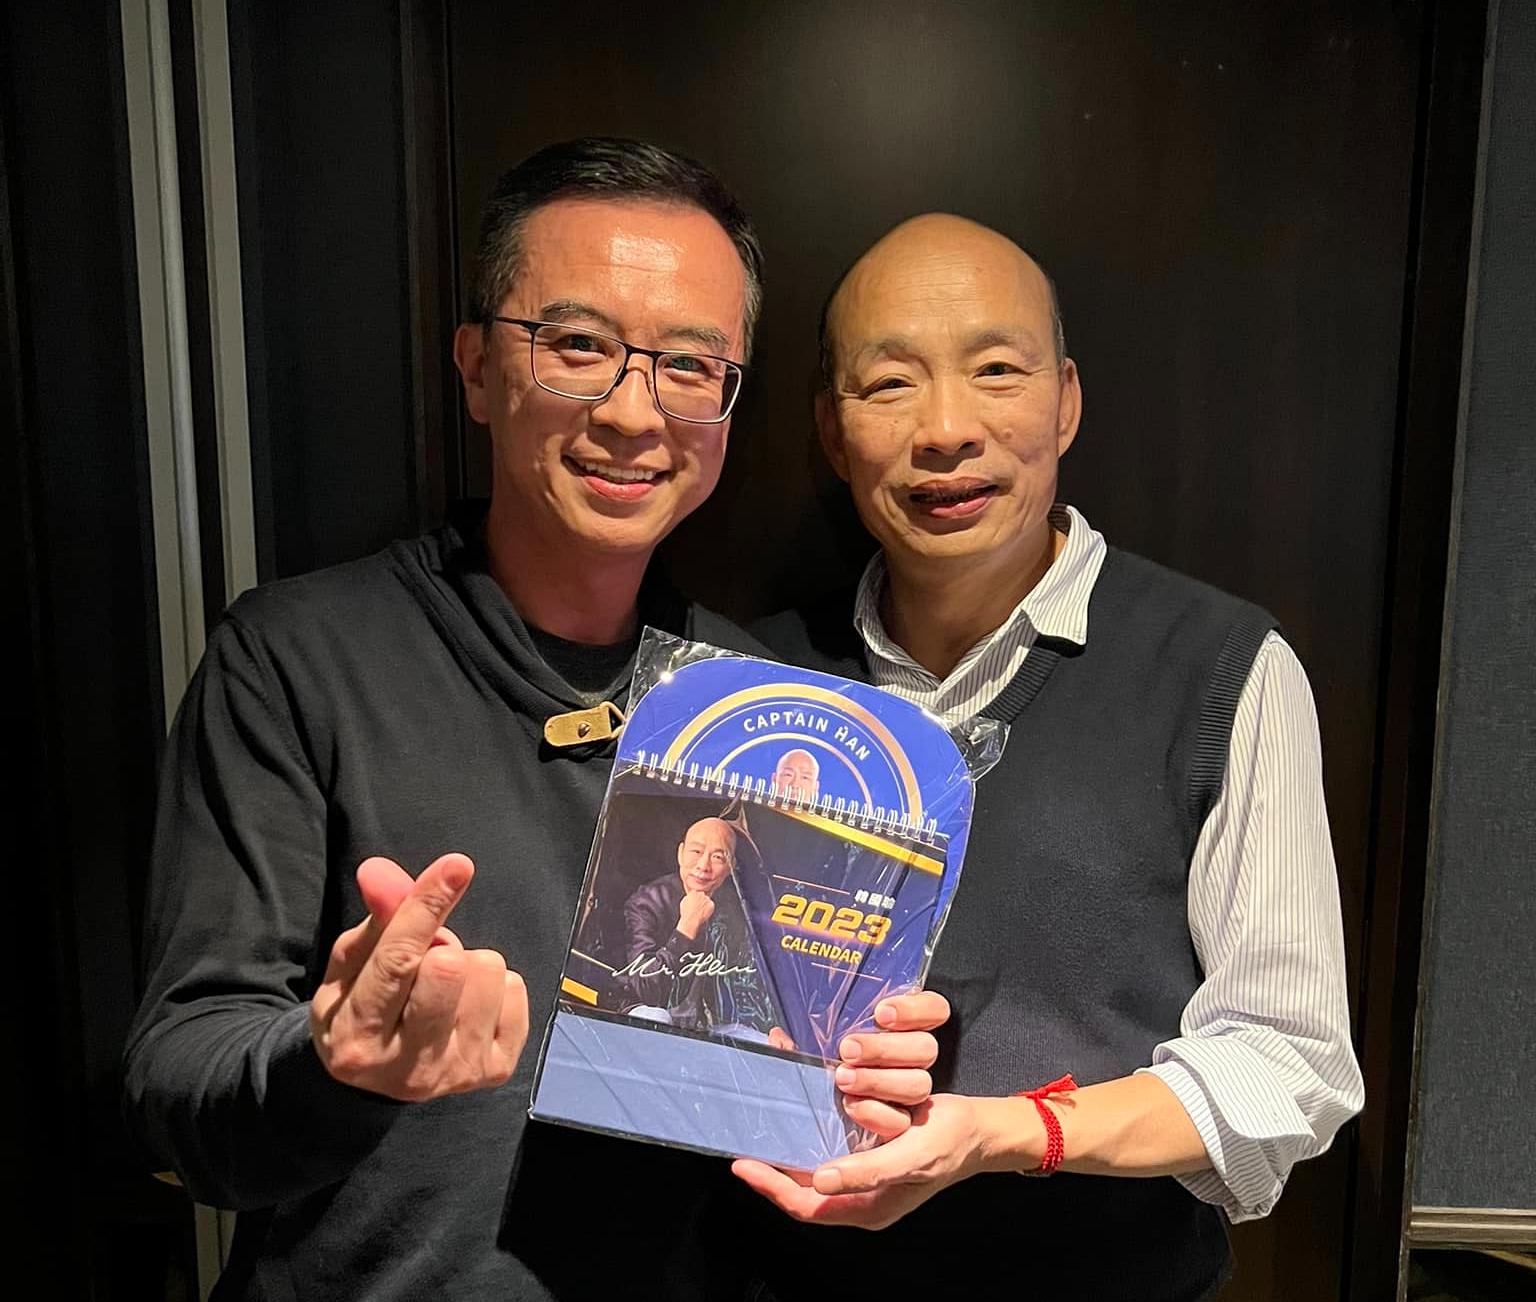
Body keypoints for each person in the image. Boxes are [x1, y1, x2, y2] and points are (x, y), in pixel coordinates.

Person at [122, 138, 943, 1302]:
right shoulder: (300, 659)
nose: (633, 412)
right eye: (579, 347)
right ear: (475, 369)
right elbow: (176, 1088)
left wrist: (855, 1091)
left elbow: (784, 1142)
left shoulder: (762, 717)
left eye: (691, 366)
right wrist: (337, 1066)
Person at [738, 213, 1365, 1301]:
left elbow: (1287, 1062)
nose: (946, 429)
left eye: (997, 370)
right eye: (888, 385)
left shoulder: (1219, 669)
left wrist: (1004, 1132)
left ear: (1066, 401)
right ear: (832, 435)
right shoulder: (753, 690)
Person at [617, 815, 781, 1042]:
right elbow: (645, 990)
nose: (703, 866)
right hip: (647, 1012)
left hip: (708, 1024)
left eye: (718, 857)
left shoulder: (735, 909)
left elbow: (747, 979)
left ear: (731, 866)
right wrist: (686, 929)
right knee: (658, 1020)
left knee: (767, 1043)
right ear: (680, 854)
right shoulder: (647, 902)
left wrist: (773, 1026)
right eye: (696, 851)